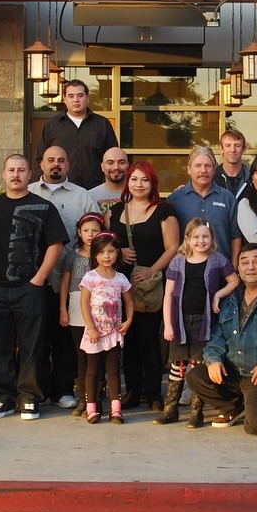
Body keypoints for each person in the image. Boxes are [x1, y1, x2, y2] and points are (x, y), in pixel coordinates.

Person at [0, 153, 67, 421]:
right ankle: (3, 397)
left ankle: (29, 396)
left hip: (31, 287)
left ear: (30, 174)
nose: (16, 175)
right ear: (3, 174)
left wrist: (40, 278)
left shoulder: (43, 206)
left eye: (21, 170)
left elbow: (56, 244)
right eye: (11, 170)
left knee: (33, 344)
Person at [185, 243, 257, 435]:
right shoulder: (231, 299)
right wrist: (213, 360)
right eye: (245, 262)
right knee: (196, 376)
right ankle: (234, 409)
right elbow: (217, 336)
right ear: (238, 268)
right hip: (233, 371)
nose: (250, 267)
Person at [29, 145, 102, 408]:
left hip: (71, 282)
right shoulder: (29, 193)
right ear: (42, 164)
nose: (55, 164)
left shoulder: (82, 197)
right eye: (50, 160)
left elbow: (98, 233)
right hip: (35, 278)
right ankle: (35, 391)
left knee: (64, 341)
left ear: (68, 166)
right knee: (35, 338)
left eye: (61, 160)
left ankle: (62, 390)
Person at [106, 160, 180, 410]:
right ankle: (133, 392)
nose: (139, 184)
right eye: (135, 179)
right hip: (120, 285)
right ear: (128, 181)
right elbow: (105, 246)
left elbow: (173, 247)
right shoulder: (115, 212)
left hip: (149, 285)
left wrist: (151, 271)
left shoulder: (163, 210)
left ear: (152, 184)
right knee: (127, 340)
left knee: (149, 340)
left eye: (144, 180)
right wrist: (119, 251)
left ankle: (154, 393)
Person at [161, 217, 238, 426]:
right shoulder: (178, 260)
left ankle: (197, 411)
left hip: (204, 321)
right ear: (187, 238)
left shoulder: (218, 259)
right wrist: (168, 324)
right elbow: (168, 294)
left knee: (197, 364)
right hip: (179, 321)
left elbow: (234, 280)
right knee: (177, 365)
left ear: (211, 238)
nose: (201, 241)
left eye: (205, 236)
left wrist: (217, 295)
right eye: (196, 237)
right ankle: (171, 409)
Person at [79, 231, 134, 424]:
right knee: (92, 371)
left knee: (113, 371)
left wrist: (128, 321)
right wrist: (91, 328)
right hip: (95, 333)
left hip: (114, 333)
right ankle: (91, 408)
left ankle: (115, 409)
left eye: (111, 251)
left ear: (117, 253)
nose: (107, 256)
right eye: (102, 252)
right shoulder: (90, 277)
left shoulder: (120, 278)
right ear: (95, 255)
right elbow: (84, 303)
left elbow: (129, 301)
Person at [60, 213, 105, 417]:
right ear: (78, 232)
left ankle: (98, 397)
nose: (90, 234)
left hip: (100, 309)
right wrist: (63, 309)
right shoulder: (72, 255)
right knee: (81, 355)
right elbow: (64, 284)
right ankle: (84, 398)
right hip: (76, 307)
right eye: (86, 230)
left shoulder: (105, 255)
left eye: (95, 230)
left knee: (99, 354)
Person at [39, 78, 119, 190]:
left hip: (95, 189)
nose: (76, 100)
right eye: (71, 96)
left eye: (80, 95)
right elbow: (40, 158)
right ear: (64, 99)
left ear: (87, 98)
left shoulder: (102, 124)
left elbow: (114, 157)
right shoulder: (52, 125)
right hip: (60, 189)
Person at [167, 147, 242, 261]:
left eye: (208, 166)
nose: (203, 170)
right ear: (189, 169)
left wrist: (235, 267)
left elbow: (235, 237)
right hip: (186, 271)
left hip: (222, 270)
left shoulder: (228, 198)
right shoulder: (175, 199)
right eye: (198, 165)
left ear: (214, 169)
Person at [87, 146, 130, 220]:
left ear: (128, 165)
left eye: (121, 162)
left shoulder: (139, 195)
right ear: (102, 167)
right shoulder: (89, 197)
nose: (116, 167)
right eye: (110, 163)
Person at [214, 129, 251, 196]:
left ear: (244, 149)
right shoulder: (212, 178)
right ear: (221, 148)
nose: (232, 150)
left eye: (237, 146)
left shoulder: (253, 178)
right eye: (228, 145)